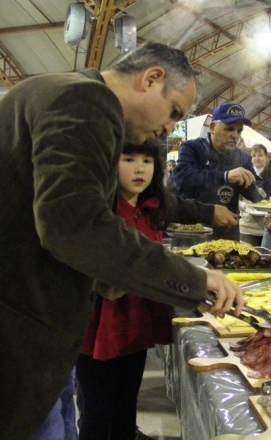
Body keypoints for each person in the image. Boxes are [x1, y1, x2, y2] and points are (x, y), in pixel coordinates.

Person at [0, 42, 244, 440]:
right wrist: (193, 280)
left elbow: (54, 221)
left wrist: (111, 278)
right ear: (151, 78)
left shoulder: (62, 92)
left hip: (22, 334)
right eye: (173, 111)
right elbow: (75, 225)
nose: (167, 128)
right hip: (3, 339)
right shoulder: (85, 100)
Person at [77, 142, 175, 439]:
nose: (139, 168)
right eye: (129, 159)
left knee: (125, 407)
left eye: (147, 160)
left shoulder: (151, 211)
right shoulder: (100, 211)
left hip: (134, 329)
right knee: (97, 413)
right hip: (96, 331)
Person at [172, 102, 271, 240]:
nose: (235, 135)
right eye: (229, 129)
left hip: (227, 238)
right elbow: (182, 180)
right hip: (192, 234)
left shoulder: (241, 158)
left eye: (239, 131)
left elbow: (254, 191)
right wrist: (225, 176)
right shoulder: (193, 148)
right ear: (212, 127)